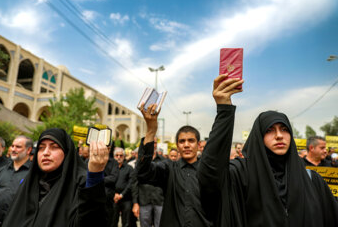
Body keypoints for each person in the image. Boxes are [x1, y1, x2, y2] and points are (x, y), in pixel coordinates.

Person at [198, 74, 338, 227]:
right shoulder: (241, 175)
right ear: (259, 137)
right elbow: (210, 178)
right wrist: (224, 110)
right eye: (270, 130)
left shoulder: (312, 180)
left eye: (284, 129)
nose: (279, 136)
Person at [1, 128, 109, 227]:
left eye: (54, 147)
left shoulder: (80, 182)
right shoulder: (29, 183)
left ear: (66, 153)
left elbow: (91, 221)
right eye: (41, 148)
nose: (46, 153)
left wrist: (95, 175)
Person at [136, 104, 212, 227]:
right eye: (182, 141)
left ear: (198, 145)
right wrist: (151, 131)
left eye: (191, 141)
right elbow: (143, 172)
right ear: (177, 146)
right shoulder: (169, 169)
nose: (186, 145)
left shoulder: (207, 171)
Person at [0, 135, 33, 227]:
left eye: (18, 147)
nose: (13, 149)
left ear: (28, 150)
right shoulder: (2, 170)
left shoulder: (34, 174)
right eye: (12, 146)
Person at [136, 136, 165, 227]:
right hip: (144, 200)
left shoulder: (163, 161)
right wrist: (135, 202)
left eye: (155, 143)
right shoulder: (140, 162)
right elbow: (134, 182)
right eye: (151, 143)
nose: (153, 145)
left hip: (159, 200)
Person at [111, 148, 134, 227]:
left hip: (126, 199)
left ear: (124, 157)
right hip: (113, 198)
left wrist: (121, 195)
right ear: (114, 157)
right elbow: (107, 183)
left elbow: (130, 183)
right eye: (117, 155)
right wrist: (114, 194)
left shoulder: (129, 168)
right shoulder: (110, 168)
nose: (119, 157)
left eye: (121, 155)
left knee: (126, 223)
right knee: (113, 222)